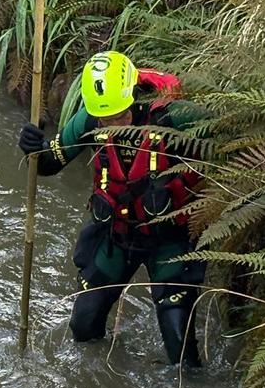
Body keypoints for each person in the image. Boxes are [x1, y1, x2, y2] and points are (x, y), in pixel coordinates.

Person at [18, 50, 205, 367]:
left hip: (169, 237)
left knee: (178, 336)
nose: (114, 125)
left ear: (133, 96)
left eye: (120, 116)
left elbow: (231, 135)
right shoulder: (90, 118)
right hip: (115, 234)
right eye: (107, 119)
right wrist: (32, 146)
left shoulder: (176, 115)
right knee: (83, 325)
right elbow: (49, 164)